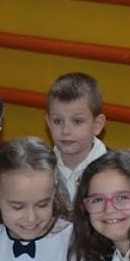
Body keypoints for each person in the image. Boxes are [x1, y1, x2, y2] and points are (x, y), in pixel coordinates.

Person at [46, 72, 108, 202]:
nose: (65, 131)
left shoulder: (116, 171)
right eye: (58, 121)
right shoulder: (40, 168)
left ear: (97, 125)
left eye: (77, 121)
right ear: (48, 123)